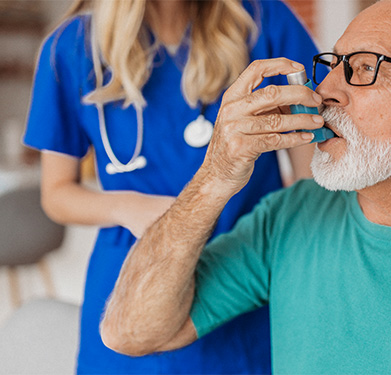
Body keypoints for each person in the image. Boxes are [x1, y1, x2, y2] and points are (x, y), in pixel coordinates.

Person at [100, 0, 391, 373]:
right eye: (332, 64)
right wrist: (214, 177)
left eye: (365, 67)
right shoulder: (291, 215)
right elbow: (129, 331)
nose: (324, 89)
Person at [23, 0, 319, 373]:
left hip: (245, 279)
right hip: (135, 282)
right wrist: (126, 207)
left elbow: (314, 180)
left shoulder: (263, 21)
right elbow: (57, 195)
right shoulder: (71, 48)